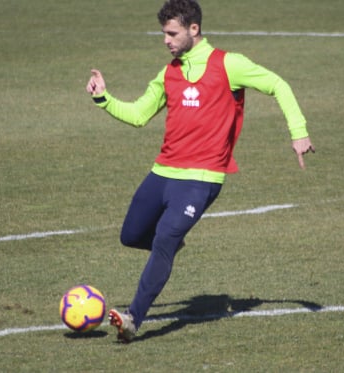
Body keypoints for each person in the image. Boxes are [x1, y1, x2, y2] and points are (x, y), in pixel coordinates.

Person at [85, 0, 314, 343]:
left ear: (194, 29)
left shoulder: (228, 64)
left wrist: (298, 132)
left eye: (172, 33)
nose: (166, 40)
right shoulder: (168, 73)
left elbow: (278, 84)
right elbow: (137, 115)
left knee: (163, 238)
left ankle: (134, 317)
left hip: (201, 178)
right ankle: (171, 246)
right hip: (163, 172)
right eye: (164, 33)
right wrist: (104, 98)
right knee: (131, 236)